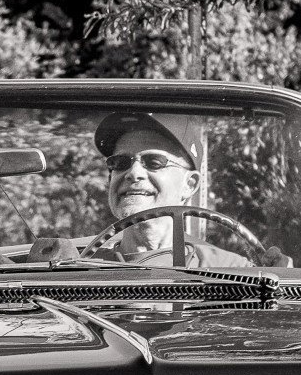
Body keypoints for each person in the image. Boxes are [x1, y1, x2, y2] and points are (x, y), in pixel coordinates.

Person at [90, 111, 249, 267]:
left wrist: (274, 267)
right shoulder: (79, 269)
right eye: (120, 163)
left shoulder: (229, 269)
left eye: (154, 162)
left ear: (189, 184)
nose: (133, 173)